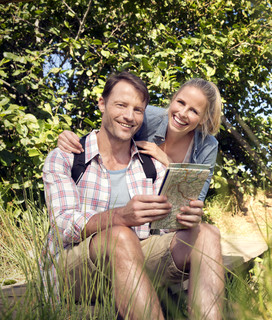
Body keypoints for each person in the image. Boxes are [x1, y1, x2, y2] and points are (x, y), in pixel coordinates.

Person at [43, 71, 224, 320]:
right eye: (121, 105)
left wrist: (189, 216)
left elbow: (168, 227)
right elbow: (62, 224)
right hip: (74, 270)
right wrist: (120, 216)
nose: (129, 116)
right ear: (102, 104)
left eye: (138, 110)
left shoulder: (151, 165)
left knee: (206, 233)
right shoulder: (67, 157)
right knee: (120, 235)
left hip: (134, 265)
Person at [57, 78, 223, 201]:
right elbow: (108, 136)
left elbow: (194, 200)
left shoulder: (207, 146)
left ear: (203, 119)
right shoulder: (146, 117)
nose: (182, 113)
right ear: (172, 100)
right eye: (180, 102)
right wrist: (73, 139)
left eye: (194, 111)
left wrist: (169, 162)